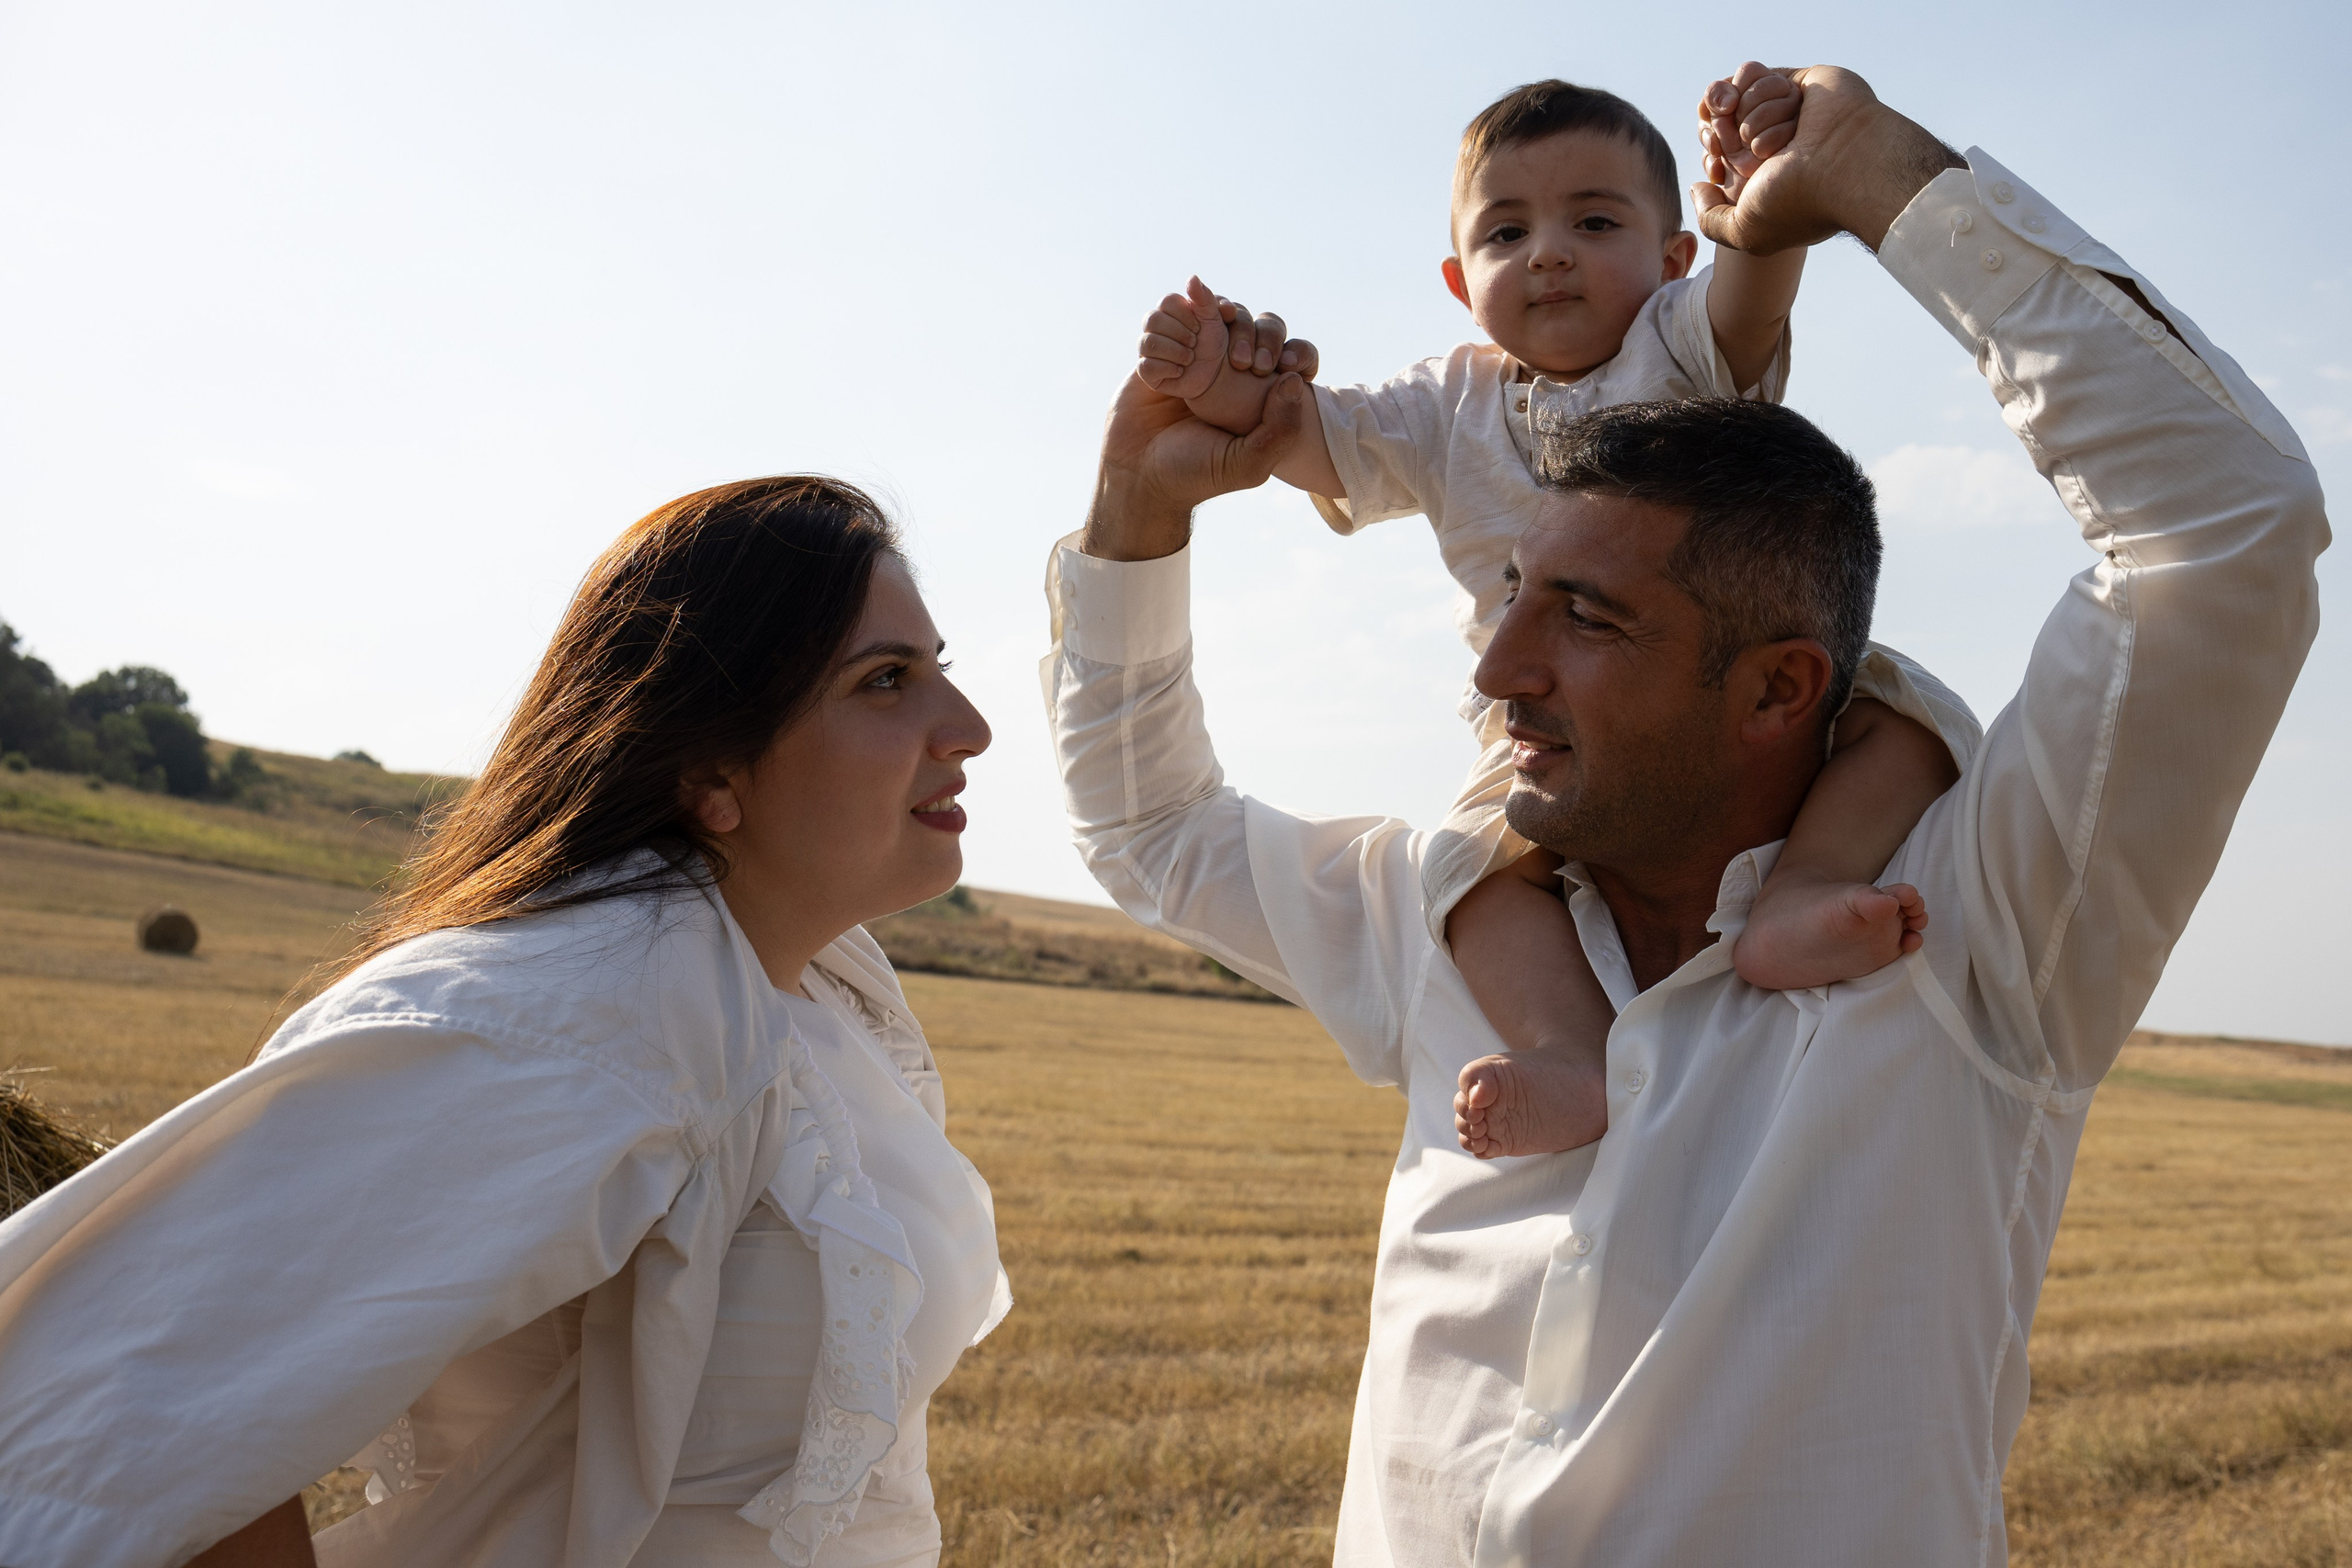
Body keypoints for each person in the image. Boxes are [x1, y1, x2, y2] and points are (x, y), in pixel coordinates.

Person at [1046, 61, 2326, 1566]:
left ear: (1782, 690)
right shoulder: (1443, 906)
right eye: (1511, 594)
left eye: (1583, 616)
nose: (1497, 663)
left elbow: (2226, 526)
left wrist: (1879, 180)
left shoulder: (1969, 937)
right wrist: (1144, 510)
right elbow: (1148, 829)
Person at [0, 477, 1011, 1568]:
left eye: (937, 669)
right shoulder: (583, 1006)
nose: (970, 728)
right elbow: (137, 1392)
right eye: (885, 682)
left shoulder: (826, 989)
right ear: (711, 763)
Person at [1134, 73, 1973, 1160]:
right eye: (1506, 229)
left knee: (1906, 716)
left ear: (1673, 256)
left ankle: (1803, 890)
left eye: (1594, 220)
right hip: (1529, 725)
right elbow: (1306, 436)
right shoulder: (1446, 402)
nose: (1548, 252)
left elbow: (1750, 287)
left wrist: (1760, 213)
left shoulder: (1679, 344)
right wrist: (1223, 380)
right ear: (1458, 278)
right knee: (1469, 868)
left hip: (1731, 669)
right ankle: (1566, 1052)